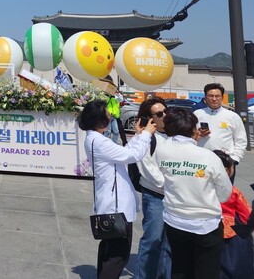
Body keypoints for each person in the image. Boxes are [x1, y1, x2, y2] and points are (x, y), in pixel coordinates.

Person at [79, 98, 156, 279]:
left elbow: (122, 154)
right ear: (100, 121)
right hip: (115, 206)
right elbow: (132, 155)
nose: (111, 115)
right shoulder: (99, 142)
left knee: (108, 252)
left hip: (110, 202)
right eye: (108, 114)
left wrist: (138, 136)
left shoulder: (95, 139)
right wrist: (147, 134)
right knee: (118, 255)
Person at [156, 107, 232, 279]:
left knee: (180, 269)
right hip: (206, 224)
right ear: (193, 129)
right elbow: (225, 194)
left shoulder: (162, 152)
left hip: (175, 221)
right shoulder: (208, 157)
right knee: (207, 272)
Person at [135, 97, 171, 279]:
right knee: (153, 240)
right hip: (156, 196)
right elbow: (148, 169)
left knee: (169, 244)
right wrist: (170, 185)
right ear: (149, 119)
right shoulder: (145, 139)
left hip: (174, 198)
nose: (164, 116)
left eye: (165, 111)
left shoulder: (175, 134)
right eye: (159, 114)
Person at [213, 150, 254, 279]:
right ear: (227, 170)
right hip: (232, 233)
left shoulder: (202, 190)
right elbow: (248, 215)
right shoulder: (232, 191)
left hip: (207, 232)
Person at [193, 82, 246, 182]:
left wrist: (234, 160)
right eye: (210, 96)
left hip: (225, 163)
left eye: (217, 96)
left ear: (222, 97)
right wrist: (198, 135)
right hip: (201, 161)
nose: (214, 99)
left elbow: (241, 140)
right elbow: (190, 137)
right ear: (205, 97)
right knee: (202, 192)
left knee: (225, 194)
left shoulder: (232, 116)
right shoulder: (197, 114)